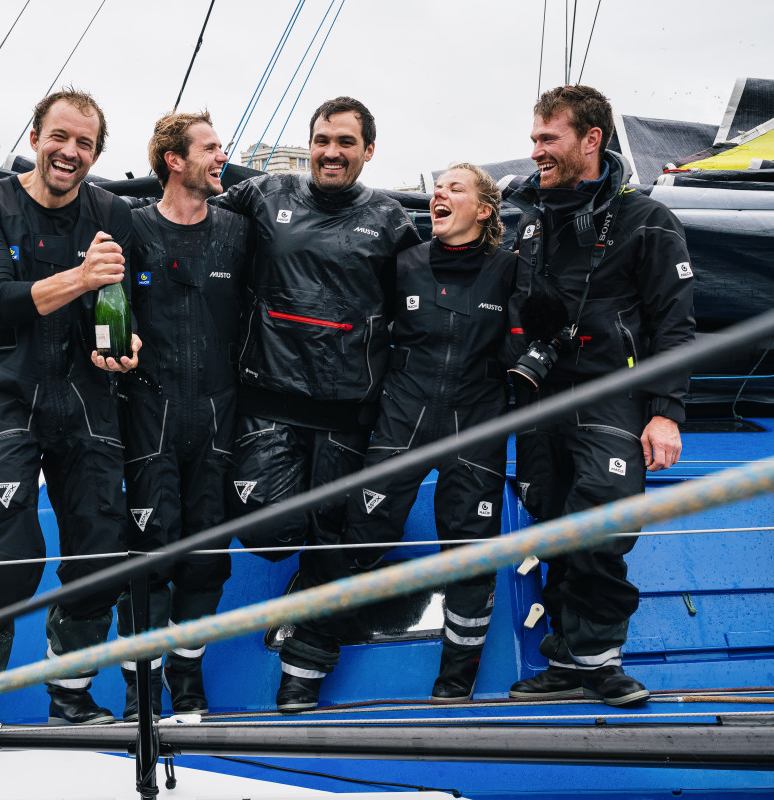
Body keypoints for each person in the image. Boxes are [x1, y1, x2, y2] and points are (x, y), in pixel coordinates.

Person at [215, 96, 422, 712]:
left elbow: (432, 296)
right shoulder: (263, 194)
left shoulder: (388, 220)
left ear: (368, 151)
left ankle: (302, 676)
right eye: (323, 139)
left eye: (346, 143)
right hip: (269, 402)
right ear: (310, 142)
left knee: (337, 544)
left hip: (345, 413)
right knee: (271, 534)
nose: (332, 152)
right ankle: (304, 568)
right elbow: (182, 223)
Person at [0, 88, 142, 730]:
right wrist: (81, 279)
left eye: (85, 143)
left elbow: (130, 310)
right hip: (11, 396)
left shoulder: (113, 210)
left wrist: (133, 343)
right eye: (60, 137)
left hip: (88, 401)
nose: (70, 152)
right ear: (35, 138)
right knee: (6, 559)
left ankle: (71, 698)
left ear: (95, 154)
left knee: (100, 555)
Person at [292, 163, 517, 707]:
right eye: (437, 187)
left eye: (455, 188)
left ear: (485, 210)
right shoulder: (406, 263)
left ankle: (453, 687)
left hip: (476, 427)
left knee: (469, 561)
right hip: (402, 420)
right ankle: (302, 669)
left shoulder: (513, 269)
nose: (438, 193)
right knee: (360, 541)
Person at [502, 85, 695, 707]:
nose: (535, 151)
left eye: (547, 138)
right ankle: (570, 659)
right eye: (533, 138)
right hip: (540, 398)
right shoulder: (519, 212)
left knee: (602, 527)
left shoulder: (646, 220)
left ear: (592, 139)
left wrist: (665, 413)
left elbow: (676, 324)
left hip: (610, 395)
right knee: (553, 524)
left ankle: (602, 662)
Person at [114, 111, 252, 720]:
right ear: (174, 160)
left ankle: (186, 680)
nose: (223, 157)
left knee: (207, 561)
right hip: (151, 415)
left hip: (220, 416)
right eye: (212, 148)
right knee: (149, 560)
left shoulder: (239, 231)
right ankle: (139, 688)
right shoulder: (130, 228)